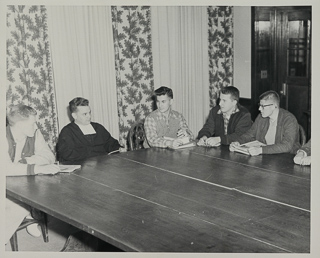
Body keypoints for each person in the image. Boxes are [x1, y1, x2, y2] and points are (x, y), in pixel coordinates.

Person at [6, 104, 60, 244]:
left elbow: (49, 156)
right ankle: (29, 216)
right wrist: (36, 168)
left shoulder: (34, 133)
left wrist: (26, 162)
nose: (36, 126)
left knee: (42, 193)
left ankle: (30, 215)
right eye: (32, 123)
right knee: (16, 207)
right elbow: (4, 168)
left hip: (23, 183)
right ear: (19, 124)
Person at [230, 90, 300, 156]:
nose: (259, 109)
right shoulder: (261, 117)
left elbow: (287, 146)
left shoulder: (289, 120)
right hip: (266, 157)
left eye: (263, 106)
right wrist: (238, 142)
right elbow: (250, 134)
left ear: (273, 106)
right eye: (259, 105)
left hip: (286, 159)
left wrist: (261, 150)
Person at [57, 97, 125, 162]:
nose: (89, 116)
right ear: (74, 116)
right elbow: (67, 155)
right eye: (85, 114)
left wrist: (118, 148)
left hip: (103, 166)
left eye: (89, 113)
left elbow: (111, 143)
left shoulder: (98, 127)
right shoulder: (67, 132)